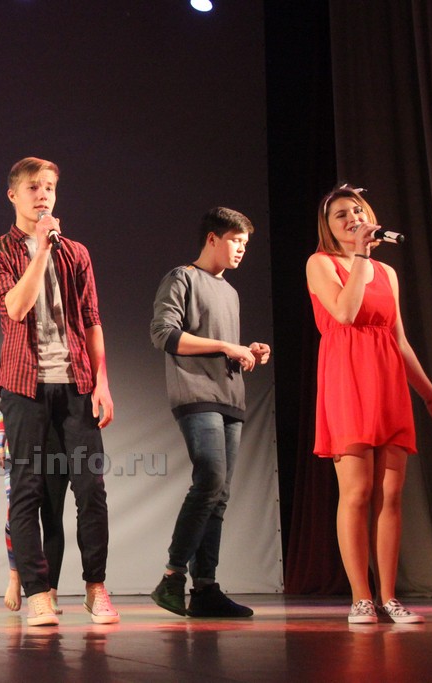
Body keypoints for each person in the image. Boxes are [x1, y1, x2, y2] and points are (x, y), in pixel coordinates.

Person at [306, 184, 432, 624]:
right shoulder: (321, 263)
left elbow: (399, 340)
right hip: (347, 377)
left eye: (357, 211)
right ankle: (361, 598)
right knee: (357, 492)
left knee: (391, 494)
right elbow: (346, 313)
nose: (352, 218)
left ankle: (389, 597)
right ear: (328, 226)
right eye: (340, 214)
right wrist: (359, 256)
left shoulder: (387, 273)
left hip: (387, 380)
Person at [0, 156, 118, 626]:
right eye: (34, 187)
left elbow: (92, 320)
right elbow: (16, 307)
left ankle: (95, 588)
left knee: (91, 489)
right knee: (28, 490)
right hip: (24, 386)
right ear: (13, 195)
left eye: (50, 188)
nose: (43, 196)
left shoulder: (76, 252)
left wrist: (102, 382)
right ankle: (38, 592)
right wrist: (39, 250)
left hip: (76, 383)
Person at [149, 207, 270, 619]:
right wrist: (225, 346)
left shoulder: (230, 292)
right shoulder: (182, 278)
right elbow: (164, 334)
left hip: (230, 397)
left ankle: (205, 588)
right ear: (213, 239)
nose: (241, 249)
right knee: (210, 481)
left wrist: (246, 350)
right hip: (197, 394)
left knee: (220, 496)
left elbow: (223, 345)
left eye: (245, 244)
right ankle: (171, 577)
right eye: (235, 241)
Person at [0, 413, 68, 613]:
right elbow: (7, 406)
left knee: (53, 517)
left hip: (55, 446)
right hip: (20, 445)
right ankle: (15, 577)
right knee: (17, 514)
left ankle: (50, 592)